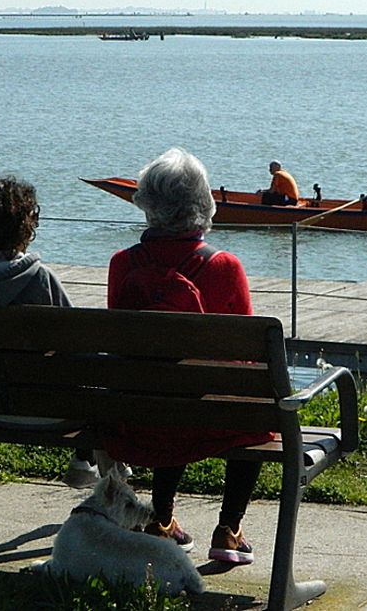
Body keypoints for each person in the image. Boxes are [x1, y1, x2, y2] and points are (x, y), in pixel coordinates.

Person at [104, 147, 272, 566]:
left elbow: (123, 346)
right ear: (203, 202)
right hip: (209, 423)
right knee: (250, 406)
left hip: (139, 415)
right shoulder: (225, 266)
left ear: (146, 202)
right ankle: (229, 530)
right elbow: (246, 358)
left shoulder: (122, 264)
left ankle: (161, 519)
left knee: (168, 387)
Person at [0, 176, 109, 488]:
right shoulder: (39, 280)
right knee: (105, 382)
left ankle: (87, 462)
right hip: (50, 412)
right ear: (22, 226)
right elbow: (82, 356)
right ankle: (90, 463)